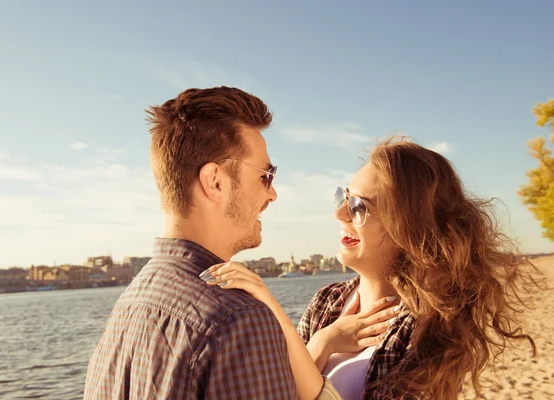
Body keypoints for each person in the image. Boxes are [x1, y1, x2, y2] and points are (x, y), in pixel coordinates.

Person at [202, 136, 539, 399]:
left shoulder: (426, 330)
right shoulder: (328, 301)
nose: (340, 214)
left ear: (410, 231)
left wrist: (279, 313)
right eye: (343, 198)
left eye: (359, 207)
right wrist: (323, 342)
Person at [83, 86, 299, 399]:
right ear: (215, 182)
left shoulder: (131, 304)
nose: (272, 193)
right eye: (266, 175)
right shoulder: (237, 320)